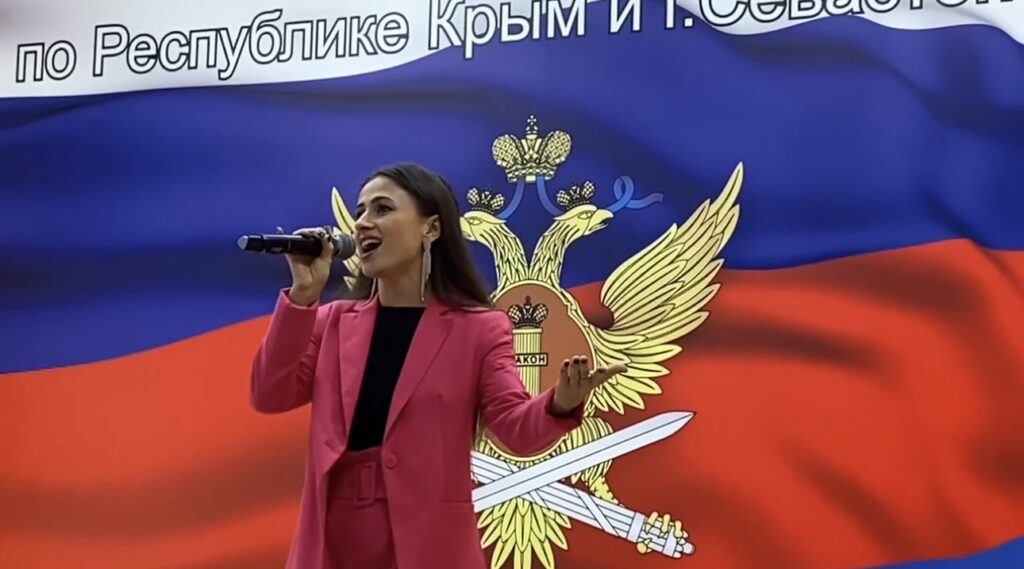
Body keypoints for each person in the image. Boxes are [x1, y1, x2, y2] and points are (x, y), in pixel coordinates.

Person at [250, 162, 627, 569]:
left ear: (430, 228)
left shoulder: (478, 329)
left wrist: (560, 403)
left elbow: (514, 429)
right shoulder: (332, 322)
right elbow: (269, 394)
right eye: (360, 212)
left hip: (429, 544)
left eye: (382, 209)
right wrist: (303, 296)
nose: (362, 223)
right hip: (333, 542)